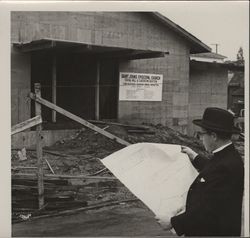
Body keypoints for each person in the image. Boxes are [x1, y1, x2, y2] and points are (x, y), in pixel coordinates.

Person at [156, 107, 244, 236]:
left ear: (213, 136)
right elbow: (213, 170)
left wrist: (172, 222)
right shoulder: (227, 156)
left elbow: (208, 211)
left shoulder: (226, 166)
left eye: (202, 134)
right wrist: (195, 156)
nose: (201, 138)